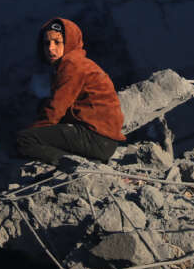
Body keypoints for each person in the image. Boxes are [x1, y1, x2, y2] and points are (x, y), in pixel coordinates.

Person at [15, 18, 125, 166]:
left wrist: (33, 134)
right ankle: (77, 161)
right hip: (104, 139)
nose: (50, 48)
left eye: (57, 42)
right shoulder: (78, 62)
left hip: (96, 139)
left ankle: (74, 164)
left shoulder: (72, 65)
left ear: (69, 42)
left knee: (25, 140)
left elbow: (56, 108)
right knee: (41, 108)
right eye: (47, 43)